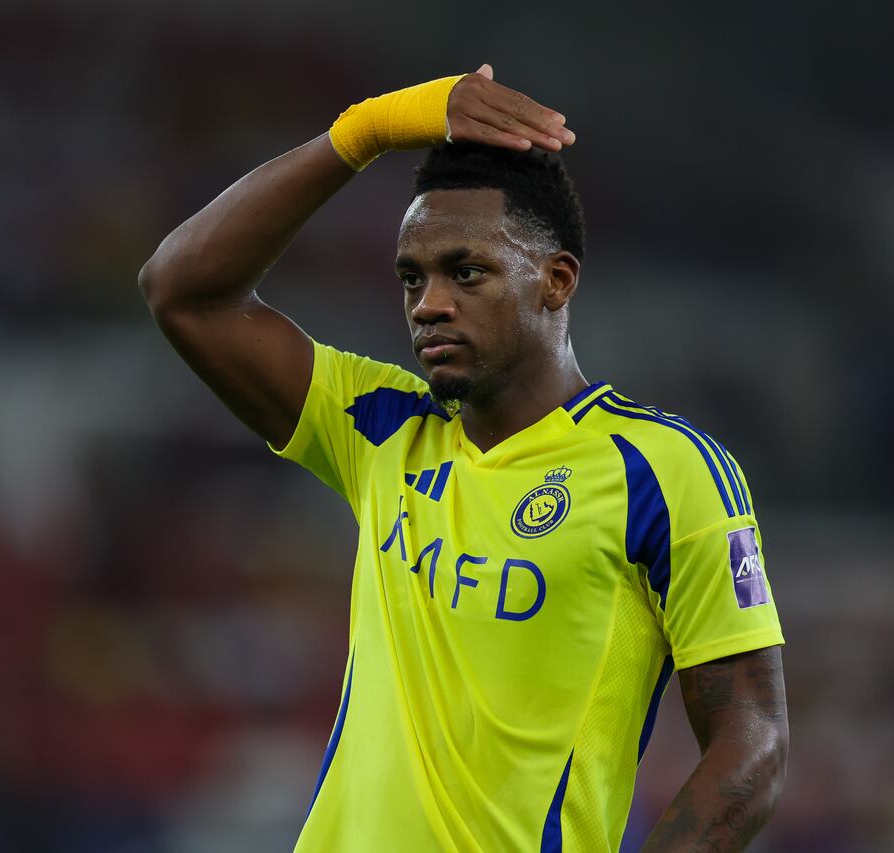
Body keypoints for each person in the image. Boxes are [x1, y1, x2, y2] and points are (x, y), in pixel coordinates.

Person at [139, 64, 788, 852]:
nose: (428, 303)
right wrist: (369, 129)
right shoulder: (381, 429)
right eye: (412, 277)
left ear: (556, 281)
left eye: (466, 271)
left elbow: (752, 741)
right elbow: (183, 290)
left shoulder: (662, 468)